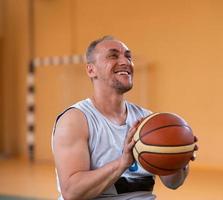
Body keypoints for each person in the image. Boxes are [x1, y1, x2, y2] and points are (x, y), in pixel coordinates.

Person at [52, 35, 198, 200]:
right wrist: (122, 163)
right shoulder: (75, 120)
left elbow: (173, 183)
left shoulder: (147, 120)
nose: (125, 61)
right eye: (113, 56)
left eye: (128, 56)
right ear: (91, 70)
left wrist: (180, 159)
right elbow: (72, 192)